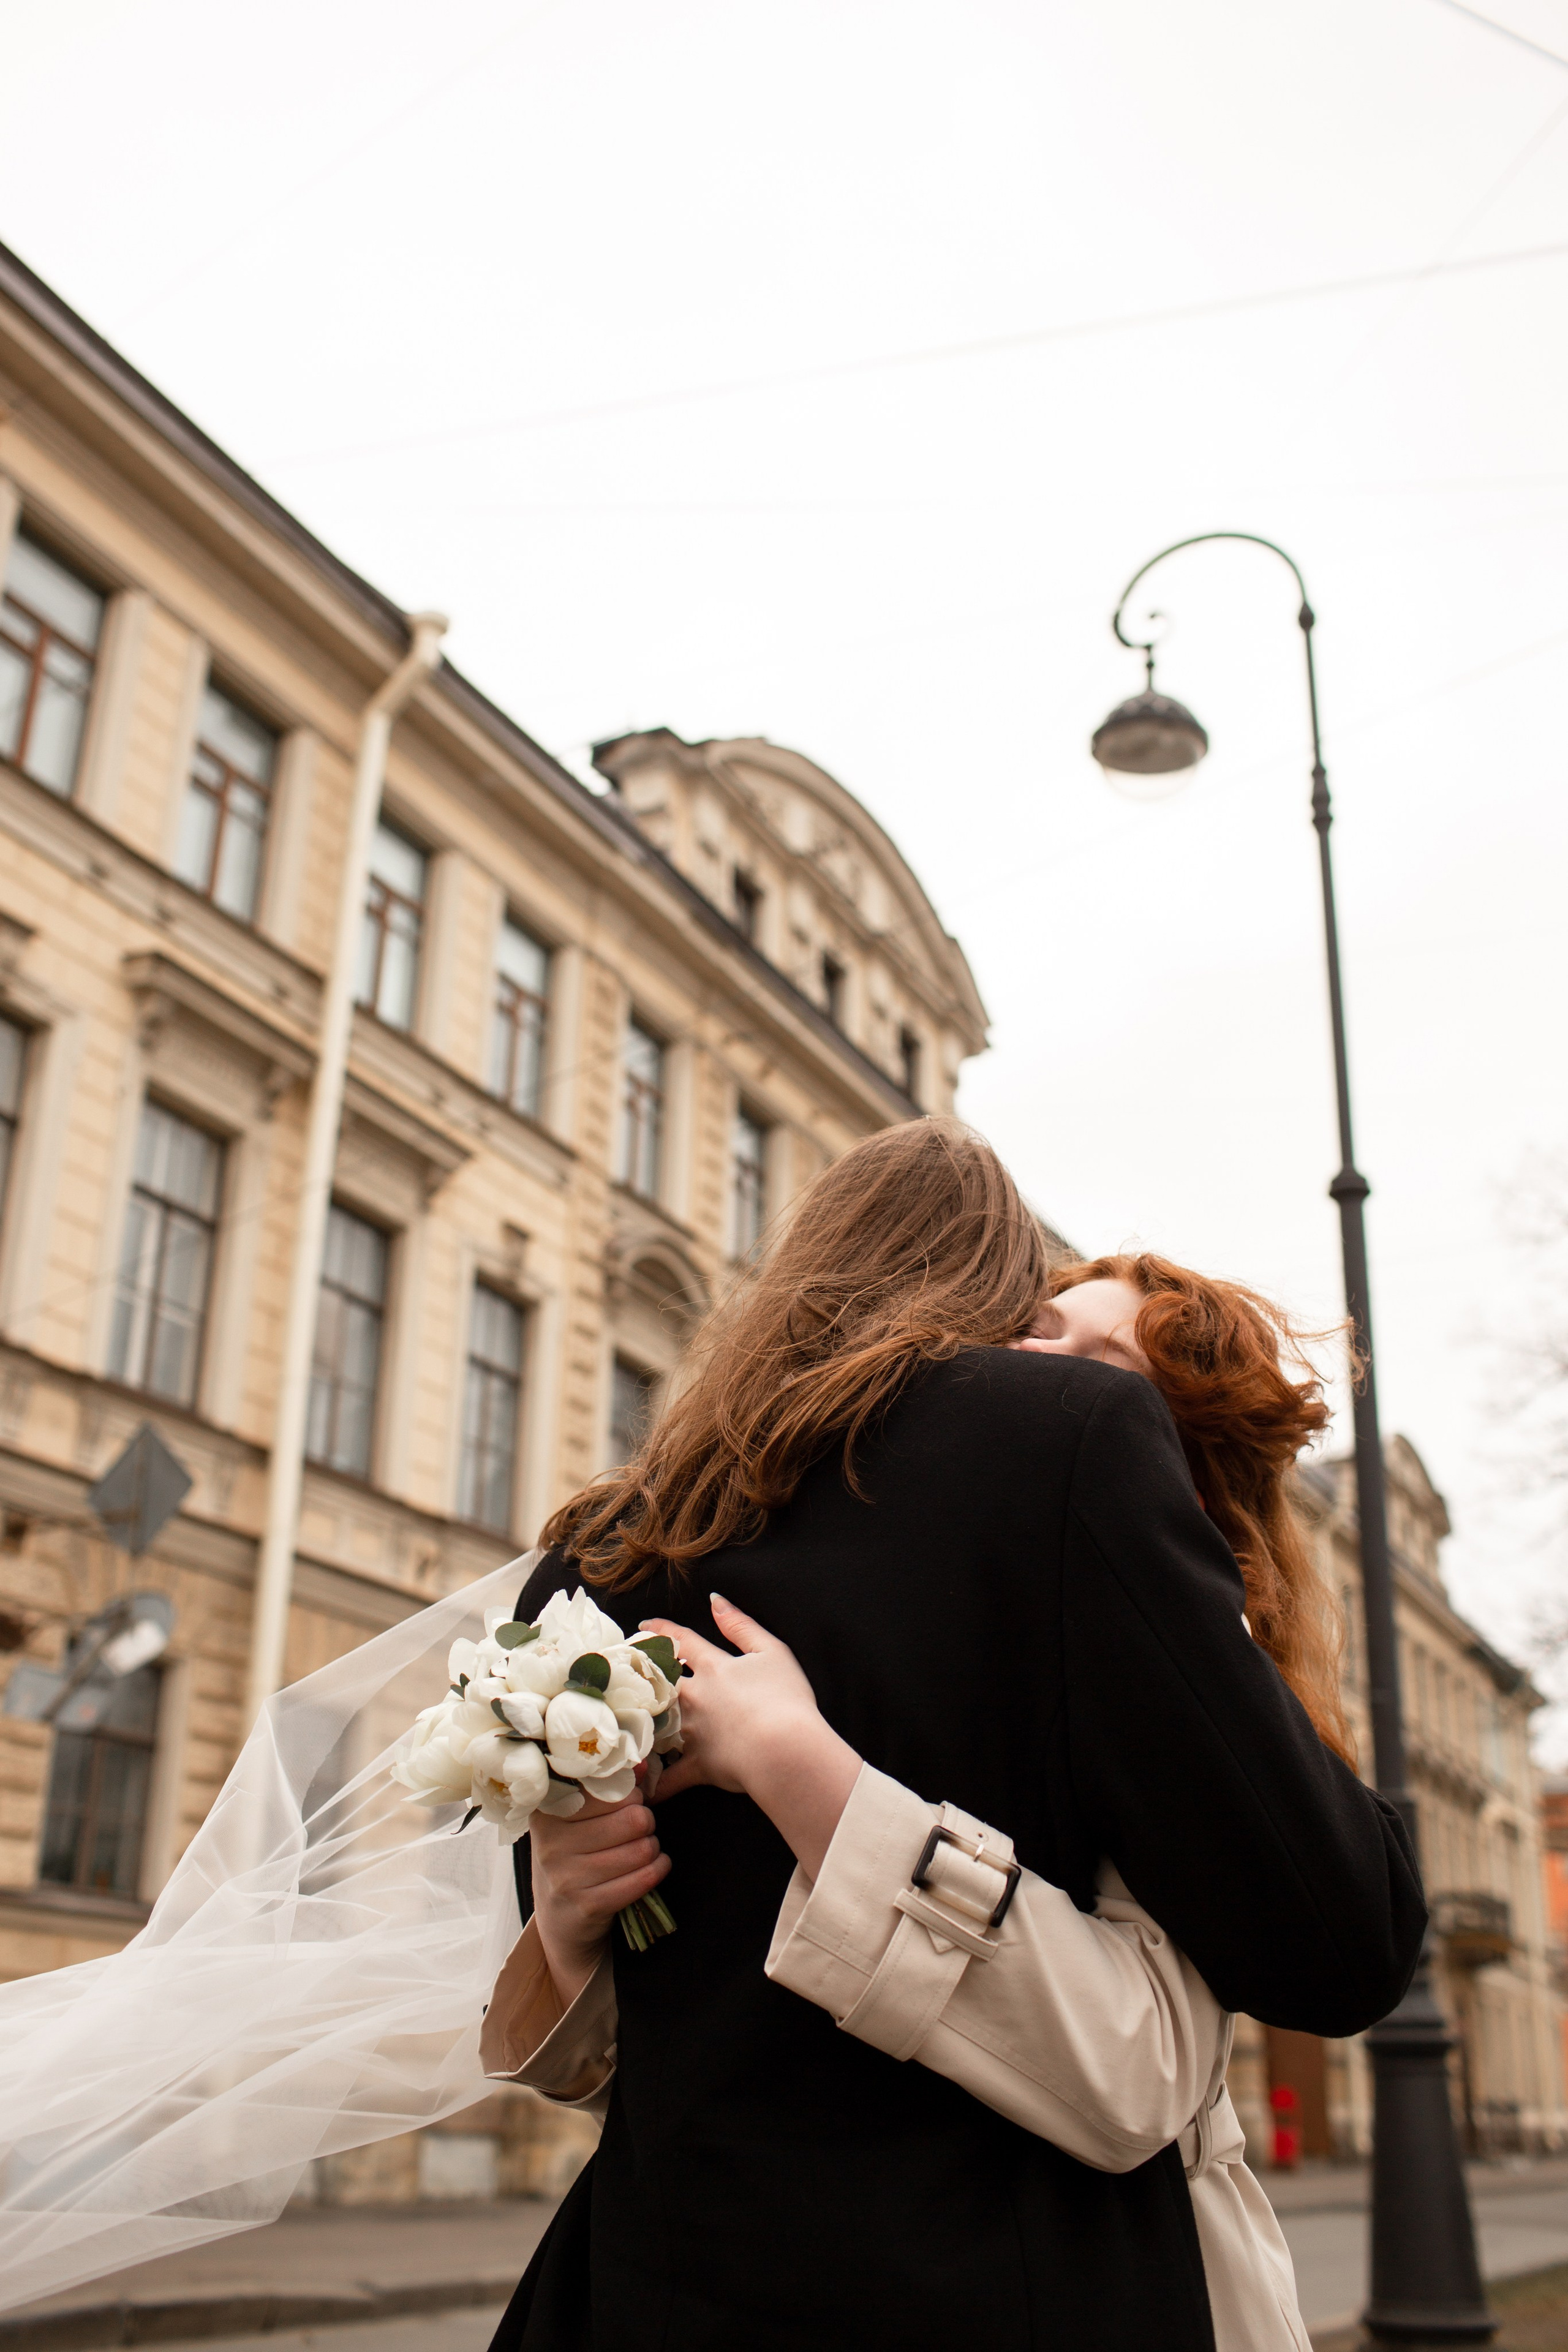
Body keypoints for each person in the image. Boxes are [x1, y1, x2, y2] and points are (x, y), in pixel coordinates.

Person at [483, 1122, 1424, 2352]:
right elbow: (1334, 1948)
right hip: (992, 2284)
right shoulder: (1041, 1468)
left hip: (647, 2287)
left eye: (1099, 1360)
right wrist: (562, 1921)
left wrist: (774, 1801)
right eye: (1041, 1331)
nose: (1050, 1373)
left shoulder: (604, 1551)